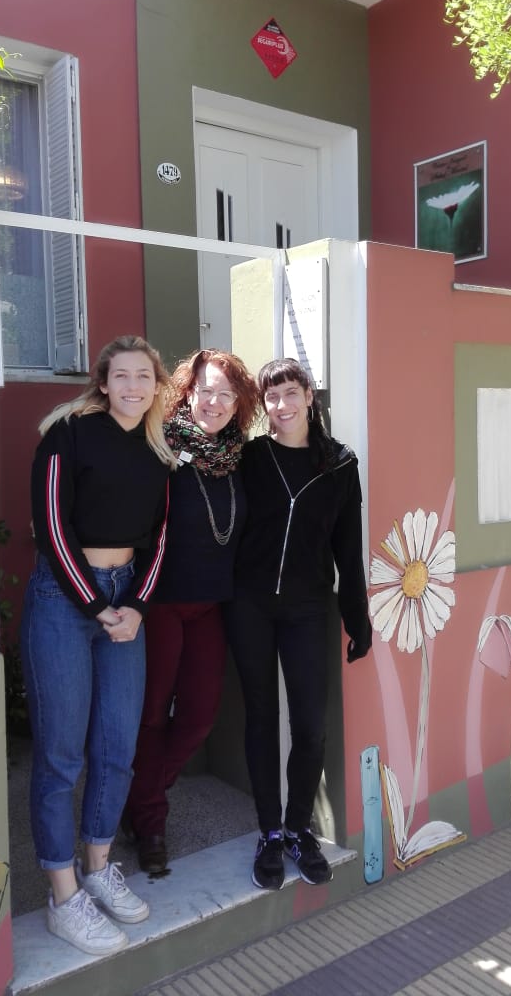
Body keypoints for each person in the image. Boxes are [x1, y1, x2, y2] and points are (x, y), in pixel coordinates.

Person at [20, 334, 176, 956]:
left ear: (157, 386)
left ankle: (97, 867)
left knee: (117, 747)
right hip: (65, 600)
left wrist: (134, 606)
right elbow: (51, 525)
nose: (133, 387)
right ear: (104, 383)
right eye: (122, 376)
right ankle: (63, 897)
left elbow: (161, 539)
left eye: (144, 377)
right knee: (61, 755)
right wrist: (95, 604)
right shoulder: (69, 435)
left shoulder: (159, 451)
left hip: (125, 600)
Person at [225, 357, 372, 891]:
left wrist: (357, 617)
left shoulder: (339, 464)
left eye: (291, 393)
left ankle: (297, 829)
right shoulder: (250, 457)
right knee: (262, 717)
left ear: (310, 395)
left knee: (310, 724)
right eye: (272, 396)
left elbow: (348, 549)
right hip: (250, 605)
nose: (282, 405)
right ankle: (269, 832)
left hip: (309, 608)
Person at [124, 348, 260, 875]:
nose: (215, 402)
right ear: (187, 392)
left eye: (227, 393)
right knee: (152, 715)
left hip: (211, 605)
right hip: (159, 603)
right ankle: (151, 824)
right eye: (206, 390)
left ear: (239, 402)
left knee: (200, 716)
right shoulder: (162, 448)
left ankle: (141, 799)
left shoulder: (239, 459)